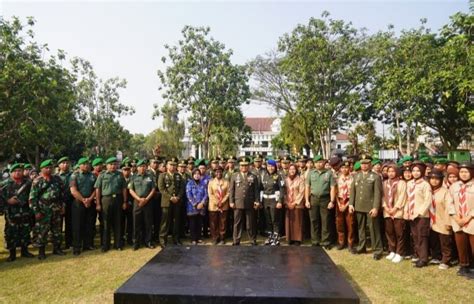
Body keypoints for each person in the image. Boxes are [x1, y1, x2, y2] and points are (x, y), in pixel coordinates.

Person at [29, 159, 66, 260]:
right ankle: (42, 252)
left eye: (51, 167)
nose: (49, 169)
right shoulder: (37, 181)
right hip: (43, 210)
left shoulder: (57, 179)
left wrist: (63, 206)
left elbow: (63, 194)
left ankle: (57, 248)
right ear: (42, 169)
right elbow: (32, 198)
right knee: (42, 231)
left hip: (56, 208)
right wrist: (36, 212)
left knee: (57, 230)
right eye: (47, 168)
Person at [348, 155, 383, 260]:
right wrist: (351, 204)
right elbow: (352, 191)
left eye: (366, 163)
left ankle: (377, 250)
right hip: (358, 206)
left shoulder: (375, 177)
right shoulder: (356, 176)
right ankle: (362, 247)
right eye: (362, 163)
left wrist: (376, 207)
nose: (364, 165)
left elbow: (378, 194)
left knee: (373, 229)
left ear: (370, 164)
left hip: (370, 207)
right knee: (360, 228)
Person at [1, 163, 34, 261]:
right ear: (11, 173)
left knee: (25, 231)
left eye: (20, 170)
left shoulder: (28, 183)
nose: (18, 172)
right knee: (11, 232)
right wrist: (7, 201)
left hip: (25, 211)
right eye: (15, 171)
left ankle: (25, 251)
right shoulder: (5, 184)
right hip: (11, 212)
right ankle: (12, 254)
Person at [94, 157, 128, 252]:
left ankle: (118, 244)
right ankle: (105, 245)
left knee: (118, 222)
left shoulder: (120, 175)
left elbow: (124, 188)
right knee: (105, 223)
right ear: (107, 165)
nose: (113, 166)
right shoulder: (102, 175)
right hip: (106, 199)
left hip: (118, 199)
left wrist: (125, 201)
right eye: (111, 164)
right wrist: (98, 203)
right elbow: (98, 189)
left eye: (114, 164)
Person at [448, 162, 474, 277]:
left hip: (471, 219)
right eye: (462, 172)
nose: (463, 174)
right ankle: (464, 265)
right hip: (458, 219)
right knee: (461, 244)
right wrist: (456, 217)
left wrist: (468, 217)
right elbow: (449, 202)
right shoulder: (454, 186)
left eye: (466, 172)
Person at [404, 162, 432, 268]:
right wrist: (407, 211)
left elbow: (427, 201)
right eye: (414, 171)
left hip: (421, 216)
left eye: (418, 171)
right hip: (411, 215)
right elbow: (408, 198)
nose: (415, 173)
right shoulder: (410, 183)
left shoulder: (425, 184)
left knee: (422, 237)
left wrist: (418, 213)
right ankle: (419, 256)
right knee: (415, 236)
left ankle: (424, 259)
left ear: (422, 172)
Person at [305, 155, 336, 249]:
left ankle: (326, 242)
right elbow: (307, 187)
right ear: (314, 163)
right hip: (313, 198)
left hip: (325, 199)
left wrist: (332, 201)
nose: (319, 164)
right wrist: (306, 200)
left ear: (324, 162)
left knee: (325, 221)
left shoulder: (329, 173)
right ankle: (315, 241)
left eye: (321, 162)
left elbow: (332, 188)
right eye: (317, 162)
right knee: (314, 220)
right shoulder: (311, 173)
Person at [229, 156, 260, 246]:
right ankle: (236, 240)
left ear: (249, 166)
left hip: (250, 202)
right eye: (242, 166)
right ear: (239, 166)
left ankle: (252, 239)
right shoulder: (235, 176)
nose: (244, 167)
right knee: (237, 223)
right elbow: (231, 190)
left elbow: (256, 190)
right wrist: (231, 201)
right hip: (238, 202)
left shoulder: (253, 176)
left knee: (250, 223)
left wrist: (257, 201)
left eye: (246, 165)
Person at [69, 157, 97, 255]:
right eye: (84, 164)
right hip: (78, 203)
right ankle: (77, 247)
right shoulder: (74, 176)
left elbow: (96, 188)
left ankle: (88, 244)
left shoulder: (92, 176)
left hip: (90, 202)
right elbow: (73, 190)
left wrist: (90, 199)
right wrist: (83, 200)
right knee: (77, 225)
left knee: (89, 224)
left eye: (88, 164)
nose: (86, 165)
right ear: (80, 165)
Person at [427, 169, 453, 270]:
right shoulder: (429, 191)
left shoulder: (445, 192)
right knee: (434, 240)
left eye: (437, 179)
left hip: (442, 220)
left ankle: (446, 260)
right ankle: (436, 256)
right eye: (432, 178)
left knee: (445, 242)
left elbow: (449, 208)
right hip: (432, 221)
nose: (434, 181)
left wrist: (448, 222)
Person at [128, 159, 156, 250]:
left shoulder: (150, 176)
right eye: (140, 166)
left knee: (148, 223)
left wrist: (146, 199)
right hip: (137, 202)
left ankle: (148, 241)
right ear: (137, 167)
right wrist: (139, 199)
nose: (142, 168)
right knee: (136, 223)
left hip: (148, 202)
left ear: (146, 167)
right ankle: (136, 243)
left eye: (144, 166)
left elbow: (153, 189)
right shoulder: (133, 177)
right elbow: (131, 190)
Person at [382, 164, 407, 263]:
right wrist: (385, 207)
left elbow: (402, 196)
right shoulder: (384, 183)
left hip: (398, 212)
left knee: (399, 233)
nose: (391, 173)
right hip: (387, 211)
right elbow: (383, 196)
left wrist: (395, 208)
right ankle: (392, 250)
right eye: (389, 171)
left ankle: (399, 253)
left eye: (393, 171)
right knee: (390, 232)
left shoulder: (401, 183)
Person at [157, 157, 185, 246]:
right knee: (165, 222)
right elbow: (161, 189)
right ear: (167, 166)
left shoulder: (178, 176)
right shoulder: (162, 175)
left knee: (176, 221)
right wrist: (170, 197)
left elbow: (182, 188)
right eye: (171, 165)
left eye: (174, 165)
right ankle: (163, 240)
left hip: (177, 202)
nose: (172, 167)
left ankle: (176, 239)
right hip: (166, 202)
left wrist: (178, 197)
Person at [261, 159, 284, 246]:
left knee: (275, 220)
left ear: (275, 167)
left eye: (272, 166)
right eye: (269, 166)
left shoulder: (278, 176)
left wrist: (280, 201)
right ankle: (270, 237)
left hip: (274, 201)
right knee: (268, 220)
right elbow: (261, 188)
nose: (270, 168)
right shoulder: (265, 175)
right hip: (265, 200)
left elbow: (282, 189)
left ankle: (276, 238)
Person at [335, 161, 355, 251]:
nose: (344, 169)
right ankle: (341, 242)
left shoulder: (353, 178)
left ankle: (350, 243)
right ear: (340, 169)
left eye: (346, 167)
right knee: (340, 223)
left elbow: (355, 193)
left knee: (350, 223)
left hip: (349, 201)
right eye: (342, 168)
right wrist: (339, 203)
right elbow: (335, 192)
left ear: (349, 168)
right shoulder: (337, 178)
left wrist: (347, 204)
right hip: (339, 201)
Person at [208, 166, 230, 245]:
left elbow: (228, 193)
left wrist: (222, 202)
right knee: (213, 223)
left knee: (223, 223)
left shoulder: (226, 182)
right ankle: (214, 238)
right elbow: (210, 194)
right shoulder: (211, 182)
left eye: (220, 172)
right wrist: (217, 202)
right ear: (214, 173)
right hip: (213, 206)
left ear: (222, 172)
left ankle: (222, 238)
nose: (218, 173)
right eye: (217, 172)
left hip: (223, 206)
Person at [285, 164, 305, 246]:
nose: (292, 171)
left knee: (297, 222)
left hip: (297, 204)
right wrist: (287, 202)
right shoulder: (285, 180)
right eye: (290, 169)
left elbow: (302, 192)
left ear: (296, 170)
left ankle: (297, 239)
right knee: (289, 221)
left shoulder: (300, 180)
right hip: (288, 203)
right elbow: (283, 192)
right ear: (288, 170)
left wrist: (295, 203)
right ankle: (290, 238)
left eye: (293, 169)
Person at [186, 168, 208, 245]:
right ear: (192, 175)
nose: (197, 175)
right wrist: (195, 204)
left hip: (201, 206)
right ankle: (193, 239)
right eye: (195, 174)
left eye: (198, 174)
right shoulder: (189, 183)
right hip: (192, 207)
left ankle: (198, 238)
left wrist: (202, 203)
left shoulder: (203, 184)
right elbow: (189, 195)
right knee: (192, 223)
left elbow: (206, 194)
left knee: (199, 223)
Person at [56, 156, 73, 250]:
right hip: (59, 202)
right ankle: (57, 245)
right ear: (59, 165)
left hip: (70, 201)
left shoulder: (73, 175)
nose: (65, 165)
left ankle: (69, 243)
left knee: (70, 223)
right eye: (63, 163)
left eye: (67, 163)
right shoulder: (56, 177)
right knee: (58, 224)